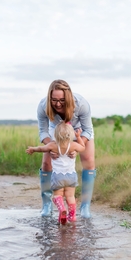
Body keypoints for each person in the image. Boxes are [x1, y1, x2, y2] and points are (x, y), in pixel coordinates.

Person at [37, 80, 96, 218]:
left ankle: (85, 206)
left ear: (68, 97)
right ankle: (46, 205)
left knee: (88, 160)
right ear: (49, 97)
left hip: (79, 130)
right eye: (54, 100)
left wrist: (78, 146)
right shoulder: (42, 106)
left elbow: (87, 130)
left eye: (62, 100)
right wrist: (51, 147)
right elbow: (43, 131)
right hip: (56, 130)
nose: (58, 104)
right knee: (46, 163)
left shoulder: (81, 104)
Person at [27, 122, 86, 224]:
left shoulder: (52, 145)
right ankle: (72, 216)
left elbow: (41, 149)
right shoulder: (73, 145)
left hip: (58, 176)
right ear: (71, 134)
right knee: (70, 196)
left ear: (55, 134)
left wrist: (33, 149)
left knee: (57, 195)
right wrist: (78, 137)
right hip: (71, 176)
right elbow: (83, 147)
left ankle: (62, 209)